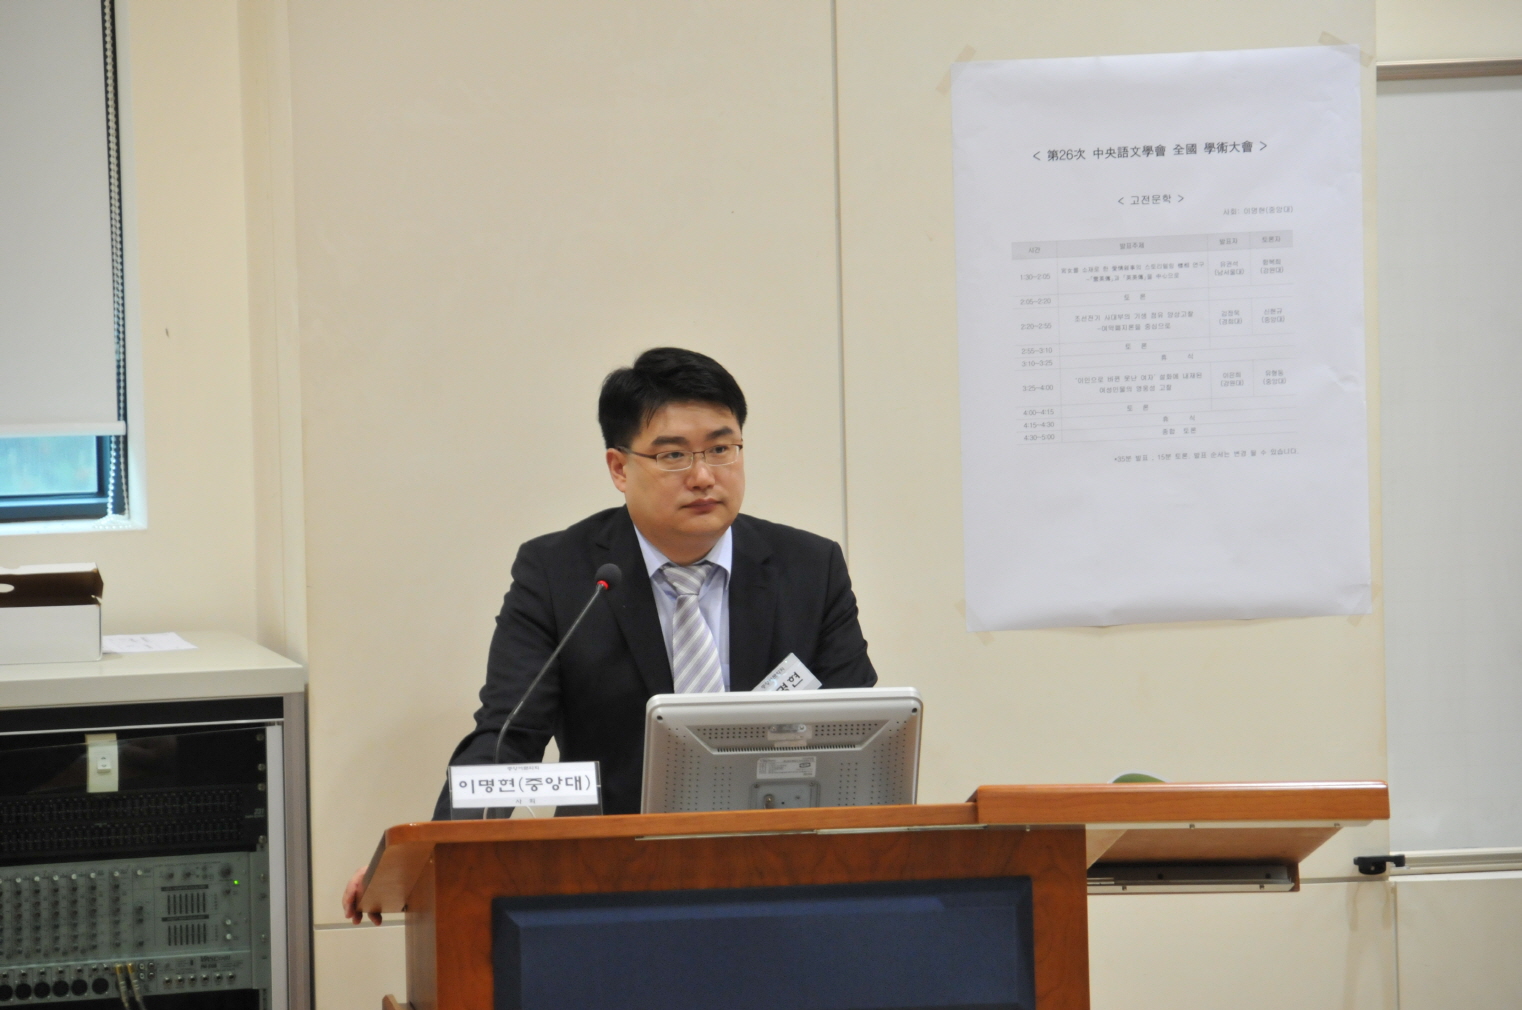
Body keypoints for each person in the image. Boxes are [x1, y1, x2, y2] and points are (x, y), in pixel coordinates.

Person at [341, 347, 877, 923]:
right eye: (673, 455)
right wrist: (430, 856)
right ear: (619, 468)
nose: (703, 476)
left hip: (781, 874)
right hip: (607, 884)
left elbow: (860, 733)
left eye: (722, 449)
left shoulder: (810, 568)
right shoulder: (561, 575)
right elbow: (507, 736)